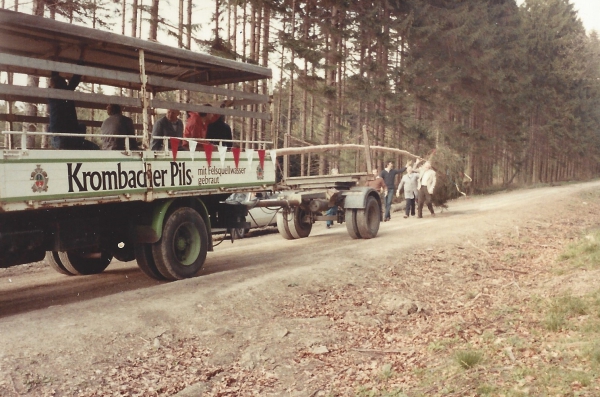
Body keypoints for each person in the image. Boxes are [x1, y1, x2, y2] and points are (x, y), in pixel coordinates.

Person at [48, 71, 96, 150]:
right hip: (66, 139)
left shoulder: (51, 96)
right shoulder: (66, 94)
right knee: (94, 148)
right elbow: (74, 81)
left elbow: (72, 81)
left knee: (81, 127)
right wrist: (81, 64)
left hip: (58, 138)